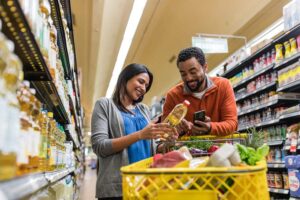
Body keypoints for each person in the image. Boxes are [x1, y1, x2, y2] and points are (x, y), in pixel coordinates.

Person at [91, 63, 175, 200]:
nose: (143, 88)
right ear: (125, 78)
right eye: (141, 81)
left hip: (145, 185)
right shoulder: (104, 105)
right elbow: (100, 146)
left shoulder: (143, 109)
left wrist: (167, 144)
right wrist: (140, 134)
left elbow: (151, 148)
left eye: (146, 86)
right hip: (117, 189)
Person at [162, 47, 238, 136]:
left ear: (205, 67)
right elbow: (165, 131)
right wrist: (180, 130)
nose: (188, 78)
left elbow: (232, 123)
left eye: (193, 72)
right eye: (183, 74)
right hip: (187, 149)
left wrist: (210, 127)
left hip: (221, 147)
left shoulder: (223, 85)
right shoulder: (173, 95)